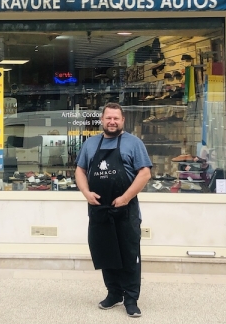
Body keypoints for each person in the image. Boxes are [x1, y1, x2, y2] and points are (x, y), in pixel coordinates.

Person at [75, 102, 152, 318]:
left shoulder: (133, 143)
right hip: (99, 209)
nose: (112, 122)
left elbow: (144, 174)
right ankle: (114, 293)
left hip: (125, 209)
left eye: (116, 118)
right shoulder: (90, 144)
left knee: (129, 254)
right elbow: (80, 170)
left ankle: (131, 299)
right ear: (102, 120)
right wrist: (86, 193)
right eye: (108, 118)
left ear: (122, 120)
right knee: (105, 251)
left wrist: (126, 197)